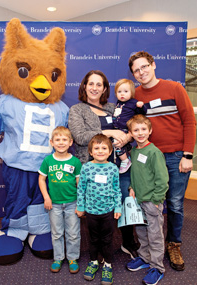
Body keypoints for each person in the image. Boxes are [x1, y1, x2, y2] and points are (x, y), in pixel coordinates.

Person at [128, 51, 196, 271]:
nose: (141, 72)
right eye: (136, 70)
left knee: (175, 204)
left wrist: (187, 154)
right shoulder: (135, 95)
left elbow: (189, 122)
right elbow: (130, 125)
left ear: (153, 65)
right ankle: (149, 248)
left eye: (144, 67)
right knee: (149, 203)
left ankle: (173, 244)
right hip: (147, 158)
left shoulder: (175, 88)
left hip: (176, 157)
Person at [68, 70, 139, 259]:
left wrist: (125, 138)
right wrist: (109, 133)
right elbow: (80, 137)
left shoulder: (113, 107)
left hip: (119, 166)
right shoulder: (77, 110)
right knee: (95, 211)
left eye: (99, 84)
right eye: (91, 84)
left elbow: (129, 127)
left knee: (123, 202)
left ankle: (127, 242)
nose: (94, 88)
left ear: (105, 88)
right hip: (92, 169)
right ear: (84, 86)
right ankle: (95, 251)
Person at [126, 114, 168, 285]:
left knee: (155, 235)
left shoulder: (154, 152)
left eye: (144, 129)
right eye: (136, 130)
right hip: (139, 200)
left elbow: (162, 179)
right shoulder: (134, 151)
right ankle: (144, 257)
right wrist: (131, 188)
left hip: (152, 201)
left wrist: (156, 199)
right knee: (142, 232)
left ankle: (157, 267)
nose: (140, 133)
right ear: (131, 133)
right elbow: (135, 174)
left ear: (150, 131)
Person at [76, 134, 122, 284]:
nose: (100, 151)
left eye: (104, 148)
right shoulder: (86, 167)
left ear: (110, 152)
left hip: (108, 211)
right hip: (91, 211)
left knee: (107, 239)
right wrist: (81, 206)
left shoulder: (113, 168)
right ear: (90, 152)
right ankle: (94, 261)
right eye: (96, 148)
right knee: (94, 238)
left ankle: (107, 265)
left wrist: (117, 206)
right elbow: (81, 188)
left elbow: (117, 189)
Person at [38, 126, 82, 274]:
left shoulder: (75, 162)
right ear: (52, 142)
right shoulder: (48, 161)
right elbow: (41, 179)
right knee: (57, 232)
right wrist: (46, 197)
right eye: (57, 140)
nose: (61, 143)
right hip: (54, 204)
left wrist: (81, 203)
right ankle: (58, 258)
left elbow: (79, 183)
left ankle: (72, 258)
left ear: (71, 142)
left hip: (72, 203)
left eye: (64, 140)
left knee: (73, 232)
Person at [113, 79, 146, 173]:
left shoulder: (133, 102)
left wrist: (141, 106)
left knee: (117, 144)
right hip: (117, 128)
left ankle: (125, 160)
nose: (122, 94)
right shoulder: (118, 103)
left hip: (125, 129)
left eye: (125, 91)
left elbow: (142, 113)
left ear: (132, 93)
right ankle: (128, 150)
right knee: (121, 144)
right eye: (119, 92)